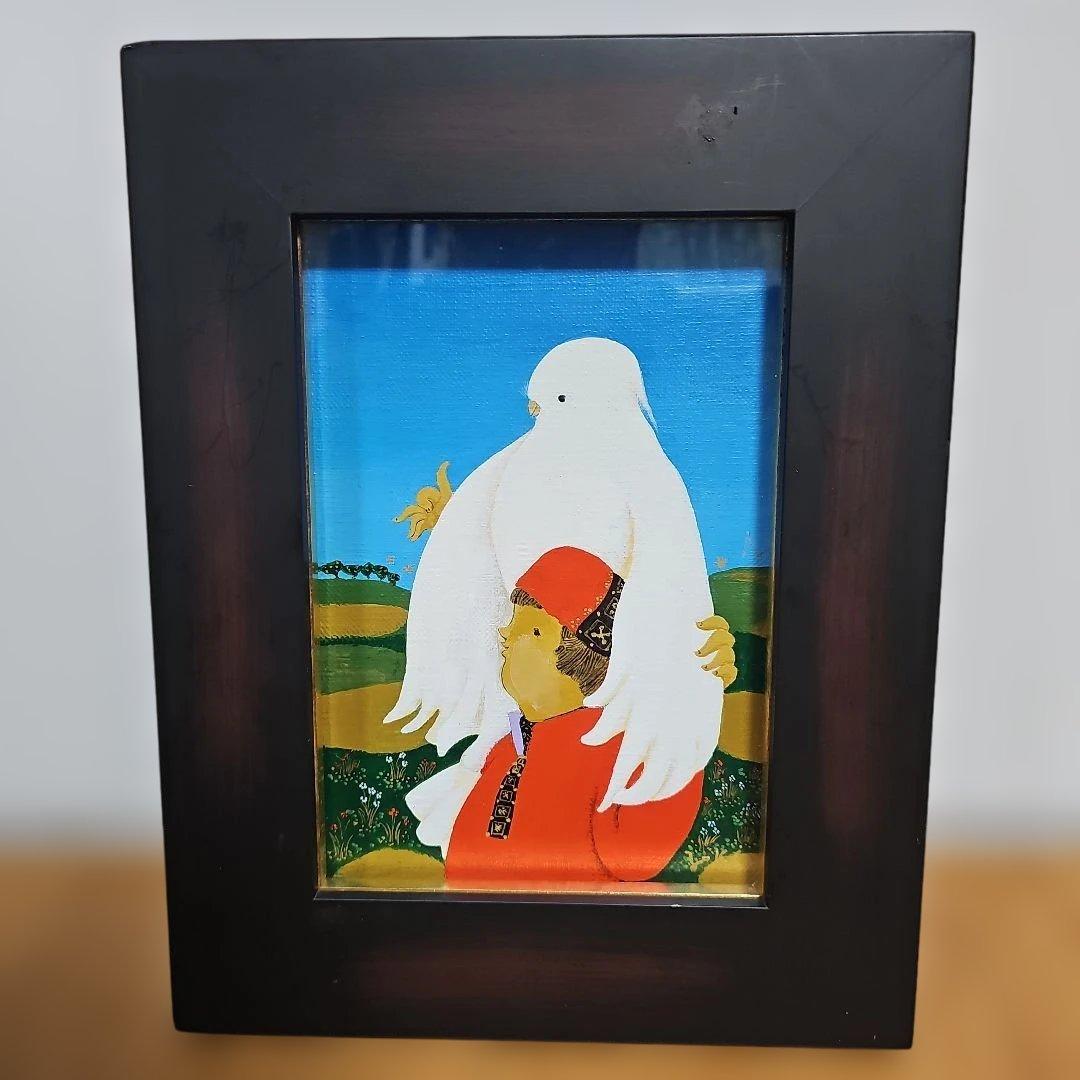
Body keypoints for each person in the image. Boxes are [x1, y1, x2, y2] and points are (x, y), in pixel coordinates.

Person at [444, 546, 728, 886]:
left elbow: (638, 856)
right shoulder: (508, 746)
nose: (506, 635)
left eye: (532, 630)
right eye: (514, 622)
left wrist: (688, 709)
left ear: (577, 655)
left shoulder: (615, 750)